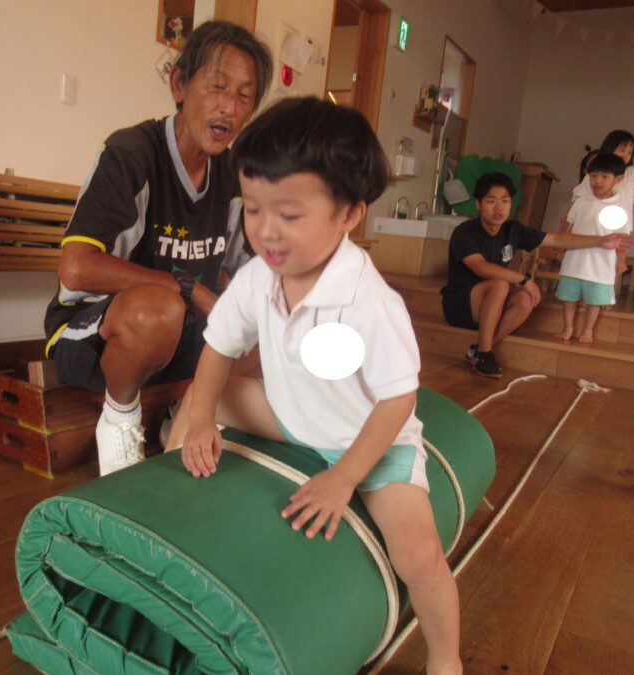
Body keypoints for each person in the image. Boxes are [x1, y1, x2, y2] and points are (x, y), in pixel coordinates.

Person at [165, 97, 463, 674]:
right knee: (197, 398)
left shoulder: (369, 301)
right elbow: (219, 346)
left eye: (289, 215)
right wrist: (200, 421)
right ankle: (171, 506)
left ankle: (446, 660)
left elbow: (399, 399)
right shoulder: (259, 276)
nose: (265, 232)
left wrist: (344, 477)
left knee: (419, 556)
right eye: (253, 210)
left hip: (370, 444)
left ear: (349, 214)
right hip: (291, 416)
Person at [42, 21, 273, 476]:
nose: (228, 107)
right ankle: (119, 419)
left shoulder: (234, 175)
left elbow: (248, 272)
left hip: (181, 339)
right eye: (217, 87)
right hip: (92, 337)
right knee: (160, 308)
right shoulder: (131, 154)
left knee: (266, 320)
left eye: (244, 96)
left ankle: (185, 416)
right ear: (179, 85)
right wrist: (187, 287)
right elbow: (76, 268)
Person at [441, 171, 634, 378]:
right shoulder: (465, 232)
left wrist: (600, 241)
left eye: (505, 201)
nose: (499, 207)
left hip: (491, 306)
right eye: (491, 201)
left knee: (525, 298)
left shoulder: (513, 230)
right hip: (461, 305)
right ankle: (485, 354)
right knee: (500, 284)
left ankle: (479, 351)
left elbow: (556, 240)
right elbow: (481, 268)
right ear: (478, 204)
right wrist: (524, 279)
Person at [554, 153, 630, 344]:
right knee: (569, 297)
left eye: (605, 177)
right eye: (594, 176)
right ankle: (568, 326)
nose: (598, 181)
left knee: (594, 300)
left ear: (618, 179)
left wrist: (621, 260)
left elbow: (622, 238)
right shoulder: (581, 201)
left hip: (600, 263)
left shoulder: (619, 207)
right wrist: (561, 246)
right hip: (574, 258)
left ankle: (587, 329)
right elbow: (567, 224)